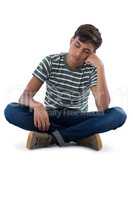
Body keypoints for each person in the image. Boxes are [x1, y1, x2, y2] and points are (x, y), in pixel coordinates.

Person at [4, 24, 127, 150]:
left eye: (86, 51)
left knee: (118, 114)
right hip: (49, 117)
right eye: (77, 45)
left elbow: (103, 107)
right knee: (11, 110)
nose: (78, 54)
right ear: (71, 41)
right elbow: (24, 97)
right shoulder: (51, 61)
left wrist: (100, 67)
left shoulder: (92, 70)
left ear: (93, 54)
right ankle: (81, 135)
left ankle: (52, 137)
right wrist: (37, 105)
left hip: (78, 118)